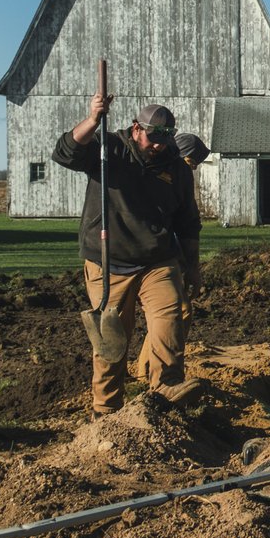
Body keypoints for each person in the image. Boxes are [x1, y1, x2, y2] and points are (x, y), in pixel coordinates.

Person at [52, 97, 203, 418]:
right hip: (108, 262)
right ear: (137, 129)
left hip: (158, 261)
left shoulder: (176, 167)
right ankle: (105, 411)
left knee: (170, 324)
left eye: (165, 140)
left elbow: (188, 222)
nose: (159, 147)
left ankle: (165, 394)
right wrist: (93, 118)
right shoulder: (109, 150)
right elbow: (65, 152)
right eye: (153, 139)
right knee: (111, 341)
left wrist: (192, 267)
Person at [134, 132, 211, 380]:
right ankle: (152, 372)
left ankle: (146, 369)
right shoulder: (163, 180)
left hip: (167, 258)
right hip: (156, 260)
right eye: (191, 162)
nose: (192, 169)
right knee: (177, 311)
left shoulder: (176, 180)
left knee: (167, 317)